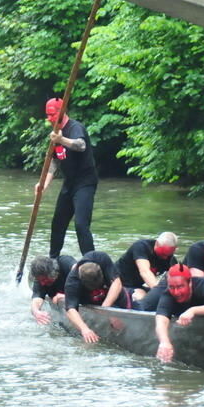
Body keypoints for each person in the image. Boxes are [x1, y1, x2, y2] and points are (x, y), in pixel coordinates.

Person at [36, 98, 98, 258]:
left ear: (62, 112)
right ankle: (53, 260)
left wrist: (61, 139)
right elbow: (55, 161)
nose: (49, 119)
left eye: (52, 115)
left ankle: (92, 262)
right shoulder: (55, 134)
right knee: (58, 223)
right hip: (69, 183)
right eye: (47, 115)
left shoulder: (75, 128)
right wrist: (43, 184)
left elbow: (80, 145)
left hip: (85, 182)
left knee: (81, 225)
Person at [152, 264, 204, 363]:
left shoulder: (203, 284)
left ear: (190, 283)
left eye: (180, 287)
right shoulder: (168, 295)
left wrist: (192, 311)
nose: (176, 292)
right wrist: (164, 342)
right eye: (172, 287)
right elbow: (161, 321)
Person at [63, 250, 132, 343]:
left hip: (114, 297)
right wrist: (84, 329)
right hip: (93, 302)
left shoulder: (100, 257)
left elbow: (117, 282)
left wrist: (106, 310)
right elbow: (70, 310)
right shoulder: (72, 283)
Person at [115, 232, 178, 298]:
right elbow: (145, 272)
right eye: (163, 253)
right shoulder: (141, 247)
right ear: (156, 244)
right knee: (141, 296)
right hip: (119, 284)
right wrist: (159, 292)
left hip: (137, 285)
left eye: (168, 255)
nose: (165, 257)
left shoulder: (169, 258)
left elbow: (179, 276)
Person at [28, 254, 76, 325]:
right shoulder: (39, 281)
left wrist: (68, 296)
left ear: (52, 273)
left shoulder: (64, 261)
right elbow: (36, 298)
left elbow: (80, 268)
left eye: (44, 279)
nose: (42, 283)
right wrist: (36, 312)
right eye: (40, 280)